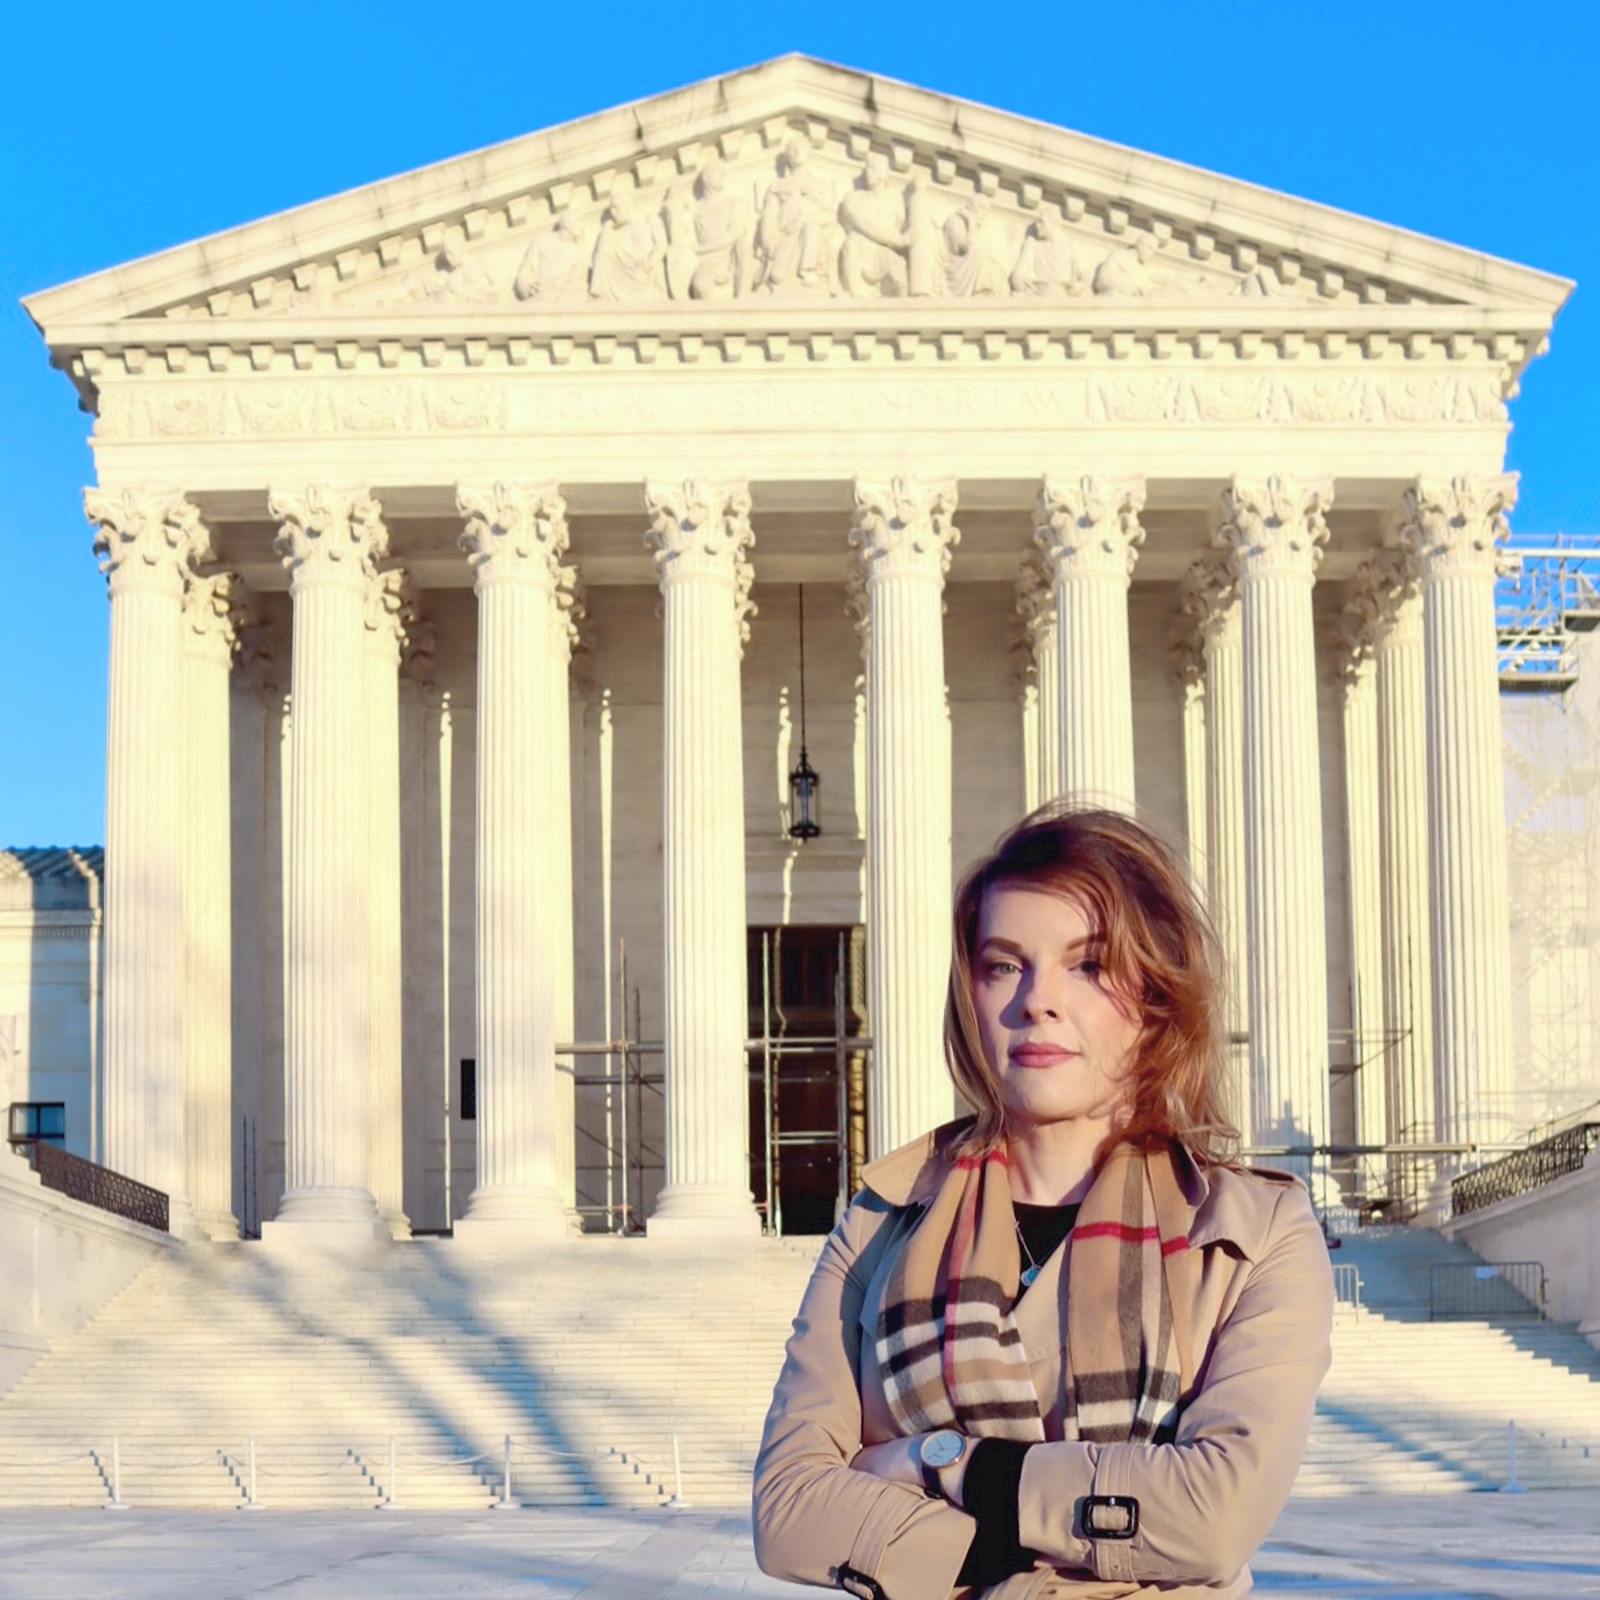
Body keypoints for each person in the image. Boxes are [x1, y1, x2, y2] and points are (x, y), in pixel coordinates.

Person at [753, 803, 1334, 1599]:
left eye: (1089, 965)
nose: (1036, 1000)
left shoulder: (1252, 1232)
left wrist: (942, 1463)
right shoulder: (882, 1220)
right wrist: (1082, 1545)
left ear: (1157, 995)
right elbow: (789, 1510)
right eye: (1002, 964)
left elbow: (1213, 1515)